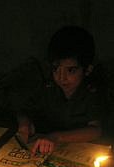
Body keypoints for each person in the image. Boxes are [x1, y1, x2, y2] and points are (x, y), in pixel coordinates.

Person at [16, 25, 104, 155]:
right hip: (44, 152)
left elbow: (95, 130)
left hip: (81, 153)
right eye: (55, 69)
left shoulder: (91, 93)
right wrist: (24, 123)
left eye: (71, 70)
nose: (61, 78)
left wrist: (56, 137)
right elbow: (24, 111)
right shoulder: (48, 87)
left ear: (87, 69)